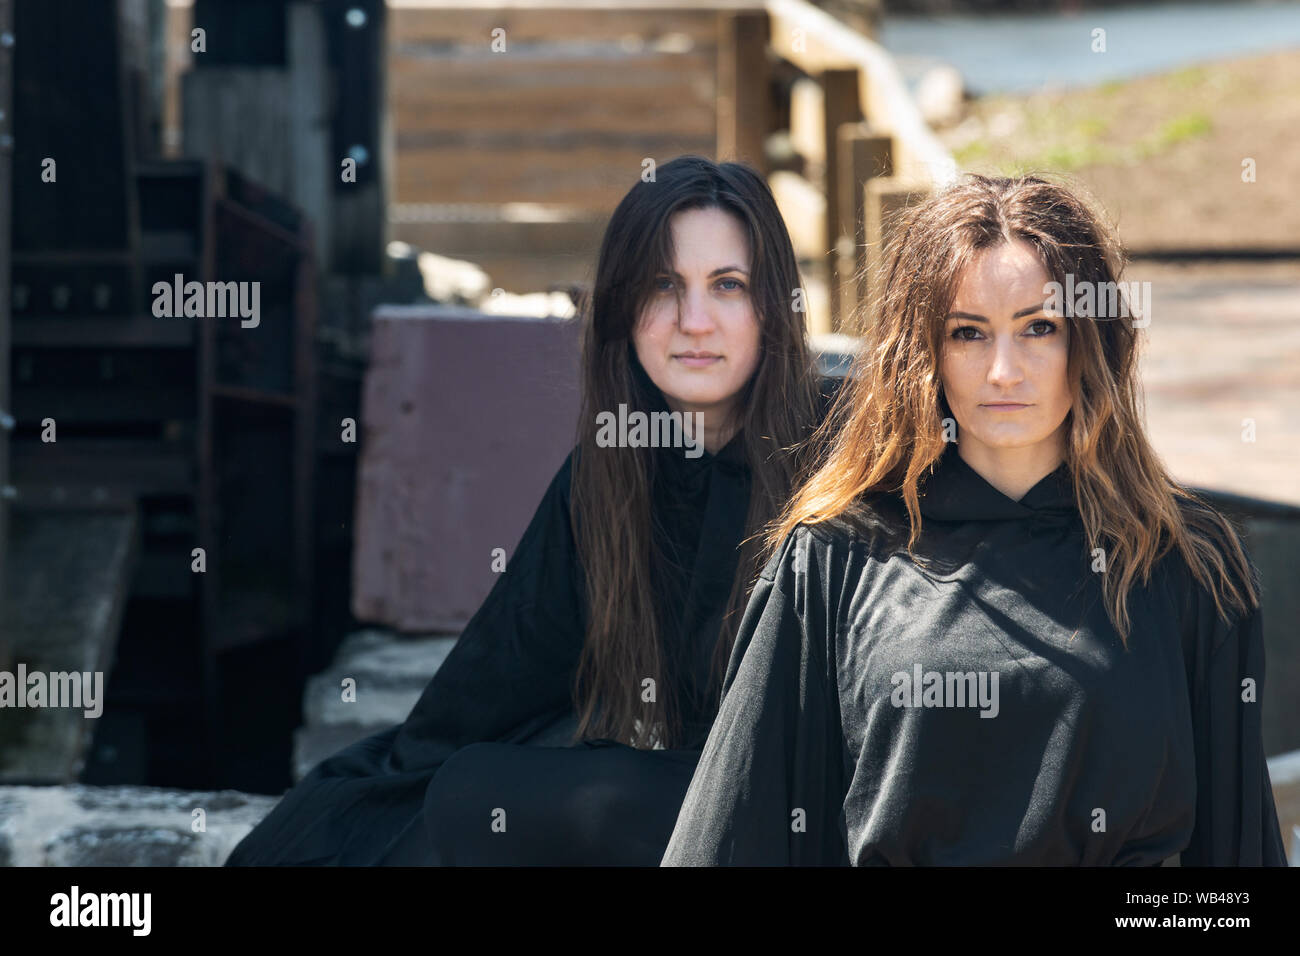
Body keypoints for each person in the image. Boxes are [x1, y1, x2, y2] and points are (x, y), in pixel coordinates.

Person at [661, 173, 1289, 866]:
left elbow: (1233, 868)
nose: (1003, 370)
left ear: (1094, 342)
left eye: (1039, 328)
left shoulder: (1187, 563)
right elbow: (728, 841)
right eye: (968, 333)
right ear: (921, 354)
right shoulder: (832, 560)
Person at [225, 155, 832, 865]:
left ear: (772, 306)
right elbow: (491, 684)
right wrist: (339, 813)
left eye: (727, 286)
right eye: (664, 286)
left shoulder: (842, 452)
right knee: (474, 789)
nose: (693, 322)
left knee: (592, 798)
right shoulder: (611, 475)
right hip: (692, 811)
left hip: (829, 814)